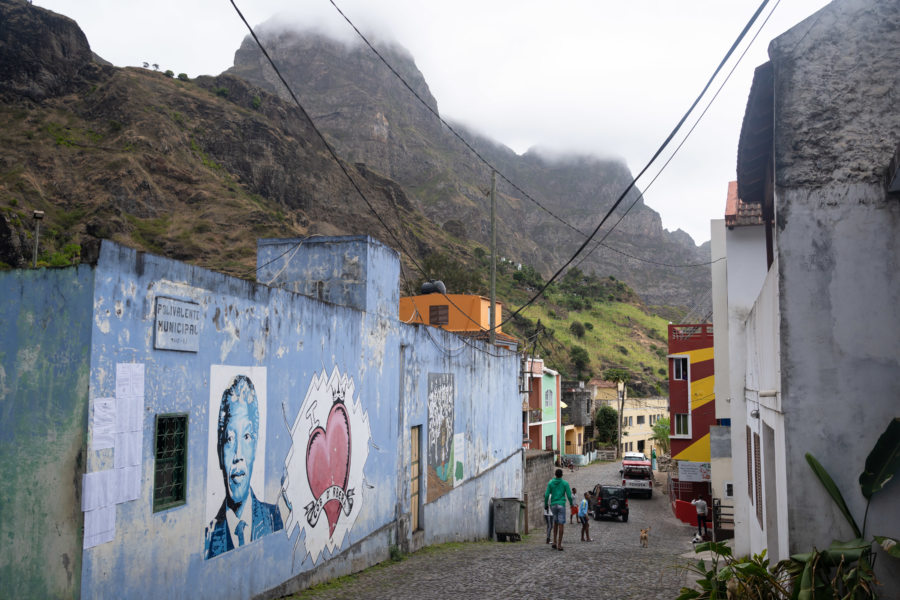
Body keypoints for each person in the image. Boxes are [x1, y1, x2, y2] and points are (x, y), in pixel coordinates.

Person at [205, 375, 283, 559]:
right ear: (219, 452)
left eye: (246, 437)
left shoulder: (273, 519)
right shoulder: (208, 539)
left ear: (255, 447)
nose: (238, 455)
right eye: (230, 439)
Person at [544, 468, 575, 551]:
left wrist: (546, 504)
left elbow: (546, 495)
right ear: (562, 475)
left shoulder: (550, 483)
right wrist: (571, 504)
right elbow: (569, 495)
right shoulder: (565, 483)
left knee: (555, 523)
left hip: (553, 505)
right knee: (561, 524)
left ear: (555, 474)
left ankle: (554, 542)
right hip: (561, 505)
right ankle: (559, 544)